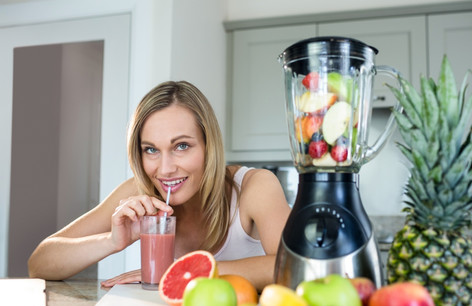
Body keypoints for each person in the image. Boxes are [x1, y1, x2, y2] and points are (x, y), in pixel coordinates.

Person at [27, 80, 291, 291]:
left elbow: (293, 268)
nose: (164, 169)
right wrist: (111, 241)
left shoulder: (254, 187)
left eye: (182, 146)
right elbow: (39, 264)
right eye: (151, 149)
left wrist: (183, 273)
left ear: (209, 146)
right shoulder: (138, 191)